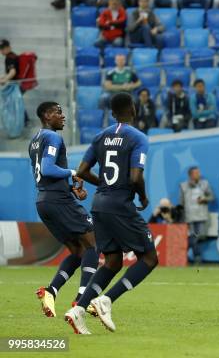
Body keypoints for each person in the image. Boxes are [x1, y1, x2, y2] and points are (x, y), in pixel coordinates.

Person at [65, 92, 156, 335]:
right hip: (119, 206)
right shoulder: (138, 138)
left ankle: (78, 310)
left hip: (99, 204)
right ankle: (107, 300)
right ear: (134, 109)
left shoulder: (99, 137)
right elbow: (136, 176)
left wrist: (104, 184)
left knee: (113, 261)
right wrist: (144, 197)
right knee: (149, 258)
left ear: (112, 113)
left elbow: (82, 171)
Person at [29, 102, 99, 319]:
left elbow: (43, 175)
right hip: (58, 201)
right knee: (94, 244)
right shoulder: (53, 138)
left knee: (78, 251)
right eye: (58, 112)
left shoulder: (33, 142)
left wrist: (69, 188)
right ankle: (82, 300)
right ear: (47, 115)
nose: (63, 116)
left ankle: (51, 291)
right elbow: (49, 168)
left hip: (44, 201)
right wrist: (74, 171)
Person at [179, 166, 215, 264]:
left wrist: (204, 199)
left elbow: (212, 197)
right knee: (193, 236)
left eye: (198, 172)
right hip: (189, 217)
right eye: (196, 173)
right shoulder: (183, 186)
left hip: (202, 216)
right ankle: (197, 257)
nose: (198, 174)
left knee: (200, 236)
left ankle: (181, 251)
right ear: (190, 175)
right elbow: (181, 203)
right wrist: (182, 217)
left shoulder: (205, 184)